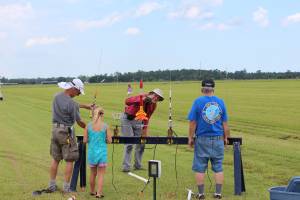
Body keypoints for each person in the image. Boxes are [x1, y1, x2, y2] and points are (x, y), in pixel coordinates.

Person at [187, 79, 230, 200]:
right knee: (218, 167)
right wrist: (226, 137)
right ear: (213, 89)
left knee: (200, 167)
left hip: (202, 139)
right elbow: (225, 123)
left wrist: (190, 138)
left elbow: (193, 122)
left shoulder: (198, 102)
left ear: (202, 89)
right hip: (218, 139)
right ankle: (218, 194)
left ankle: (201, 194)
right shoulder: (221, 102)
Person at [48, 78, 92, 193]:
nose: (78, 95)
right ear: (73, 89)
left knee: (55, 159)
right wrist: (90, 128)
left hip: (55, 130)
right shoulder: (71, 103)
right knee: (70, 159)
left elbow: (71, 103)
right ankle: (67, 188)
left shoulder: (57, 96)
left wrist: (85, 106)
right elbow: (79, 122)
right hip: (66, 133)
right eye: (78, 92)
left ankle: (51, 186)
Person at [121, 88, 164, 172]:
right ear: (151, 94)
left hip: (139, 120)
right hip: (127, 119)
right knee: (129, 143)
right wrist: (141, 99)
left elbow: (147, 117)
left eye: (158, 98)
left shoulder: (154, 105)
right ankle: (126, 167)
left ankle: (138, 165)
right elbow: (127, 101)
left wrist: (145, 131)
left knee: (141, 143)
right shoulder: (141, 97)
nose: (156, 98)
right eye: (155, 96)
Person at [83, 106, 112, 198]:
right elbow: (109, 140)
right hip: (102, 153)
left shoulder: (88, 126)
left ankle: (92, 191)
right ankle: (99, 193)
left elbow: (84, 140)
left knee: (92, 173)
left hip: (92, 152)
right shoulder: (105, 126)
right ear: (102, 114)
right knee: (101, 175)